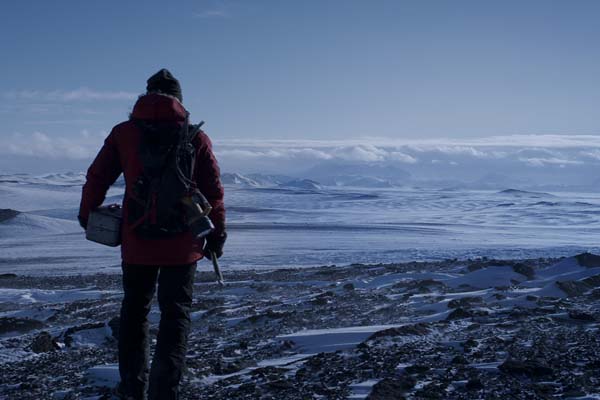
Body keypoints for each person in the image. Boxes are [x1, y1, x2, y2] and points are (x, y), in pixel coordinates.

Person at [78, 69, 226, 400]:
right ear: (180, 100)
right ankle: (164, 392)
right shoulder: (195, 137)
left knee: (135, 312)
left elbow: (97, 176)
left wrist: (88, 215)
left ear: (145, 96)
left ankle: (133, 389)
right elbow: (214, 191)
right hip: (184, 243)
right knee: (175, 315)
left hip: (137, 240)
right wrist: (217, 233)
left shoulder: (124, 133)